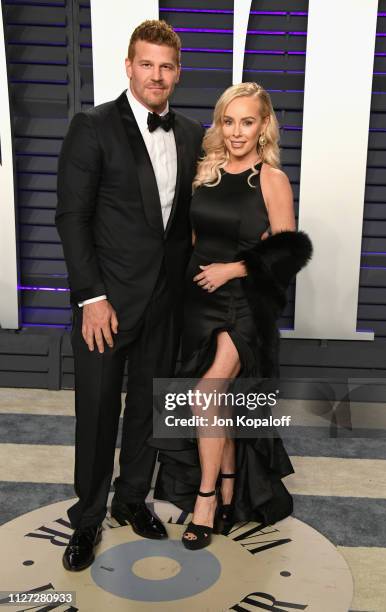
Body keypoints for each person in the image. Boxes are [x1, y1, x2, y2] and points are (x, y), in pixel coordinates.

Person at [55, 20, 204, 570]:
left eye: (166, 66)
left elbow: (188, 220)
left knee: (148, 407)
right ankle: (88, 518)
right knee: (96, 414)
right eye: (147, 64)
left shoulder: (190, 134)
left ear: (177, 72)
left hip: (165, 303)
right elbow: (72, 217)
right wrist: (90, 296)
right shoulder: (91, 126)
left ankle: (132, 497)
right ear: (128, 66)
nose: (156, 75)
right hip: (106, 305)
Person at [152, 82, 313, 550]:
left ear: (263, 126)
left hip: (244, 303)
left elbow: (288, 252)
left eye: (248, 121)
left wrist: (234, 269)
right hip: (198, 301)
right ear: (219, 124)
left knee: (206, 395)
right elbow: (197, 240)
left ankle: (205, 502)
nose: (238, 131)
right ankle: (226, 486)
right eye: (229, 121)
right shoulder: (207, 173)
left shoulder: (271, 179)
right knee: (214, 402)